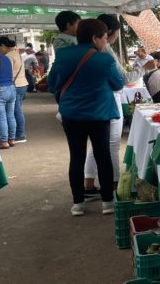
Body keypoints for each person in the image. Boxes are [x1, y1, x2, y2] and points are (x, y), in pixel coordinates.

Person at [47, 19, 124, 216]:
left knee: (76, 157)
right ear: (94, 38)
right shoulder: (104, 60)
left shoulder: (63, 55)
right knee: (103, 156)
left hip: (71, 115)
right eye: (104, 37)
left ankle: (78, 204)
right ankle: (107, 202)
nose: (106, 41)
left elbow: (52, 83)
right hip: (99, 114)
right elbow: (118, 84)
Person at [83, 14, 153, 197]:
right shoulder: (105, 52)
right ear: (107, 33)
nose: (111, 38)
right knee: (112, 144)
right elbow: (122, 80)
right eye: (112, 34)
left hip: (91, 101)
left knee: (97, 144)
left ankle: (88, 184)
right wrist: (144, 68)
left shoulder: (82, 50)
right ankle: (114, 188)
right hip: (107, 99)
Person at [0, 37, 28, 143]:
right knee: (17, 110)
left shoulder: (8, 57)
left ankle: (20, 135)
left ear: (2, 46)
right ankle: (19, 134)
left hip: (15, 85)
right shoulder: (17, 54)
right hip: (22, 84)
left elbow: (6, 72)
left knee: (16, 111)